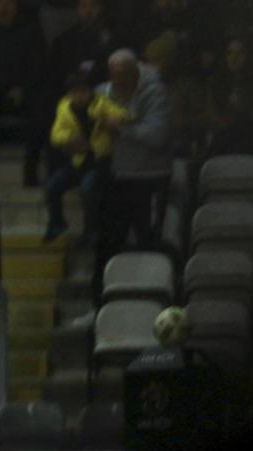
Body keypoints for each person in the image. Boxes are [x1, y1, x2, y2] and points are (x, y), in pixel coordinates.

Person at [94, 48, 172, 295]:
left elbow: (157, 135)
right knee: (107, 245)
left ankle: (153, 300)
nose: (119, 85)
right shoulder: (103, 93)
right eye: (114, 77)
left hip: (149, 180)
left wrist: (123, 129)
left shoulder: (156, 92)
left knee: (148, 245)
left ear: (135, 73)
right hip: (116, 178)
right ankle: (102, 306)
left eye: (124, 78)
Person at [0, 0, 49, 186]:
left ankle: (30, 172)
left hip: (22, 96)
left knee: (41, 105)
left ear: (15, 6)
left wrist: (24, 89)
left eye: (8, 3)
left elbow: (39, 69)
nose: (3, 8)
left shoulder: (31, 32)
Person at [43, 68, 129, 244]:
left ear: (90, 91)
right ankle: (57, 223)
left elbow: (122, 113)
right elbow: (55, 135)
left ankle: (91, 230)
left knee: (88, 188)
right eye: (75, 92)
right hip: (76, 161)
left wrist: (114, 120)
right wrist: (70, 139)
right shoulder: (64, 108)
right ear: (69, 93)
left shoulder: (100, 103)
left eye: (83, 91)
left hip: (98, 162)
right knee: (51, 187)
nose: (80, 95)